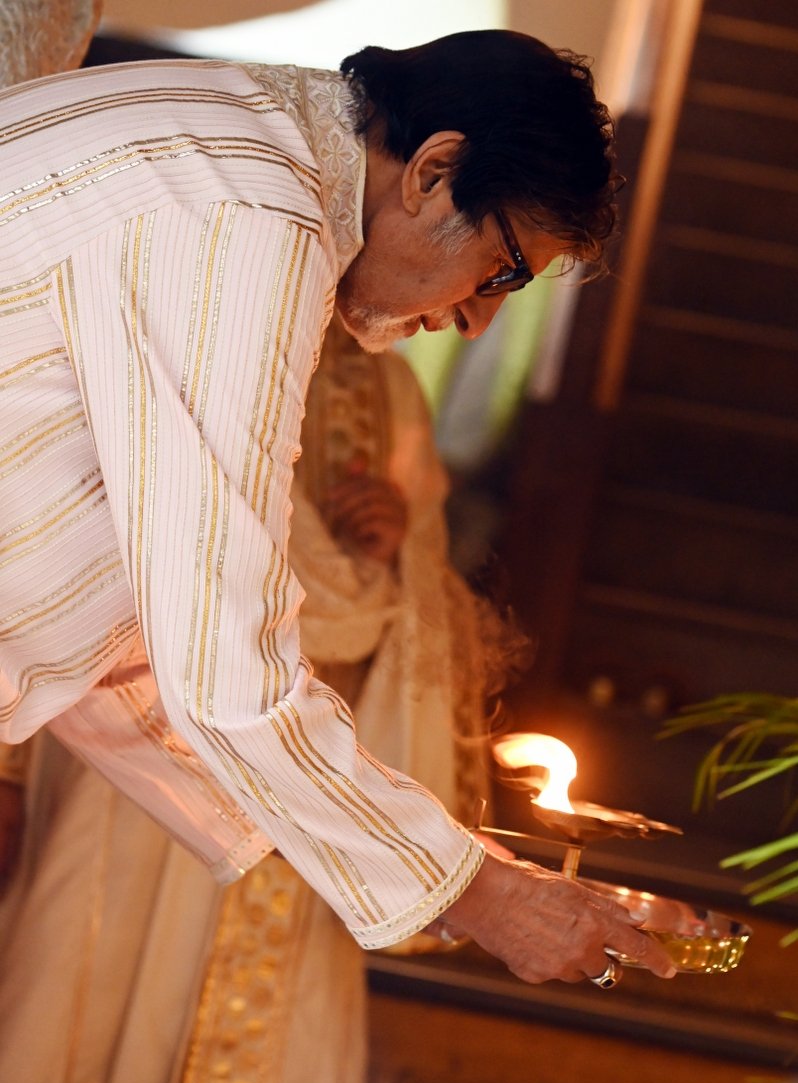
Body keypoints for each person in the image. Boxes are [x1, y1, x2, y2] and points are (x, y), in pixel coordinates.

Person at [0, 28, 675, 1007]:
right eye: (499, 273)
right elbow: (219, 654)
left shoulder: (232, 138)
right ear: (435, 170)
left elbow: (143, 633)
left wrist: (441, 864)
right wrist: (477, 893)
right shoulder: (243, 212)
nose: (474, 320)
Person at [0, 314, 493, 1083]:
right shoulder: (197, 332)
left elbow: (413, 596)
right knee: (70, 1005)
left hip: (303, 775)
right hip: (134, 749)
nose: (467, 315)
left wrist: (395, 544)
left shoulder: (394, 394)